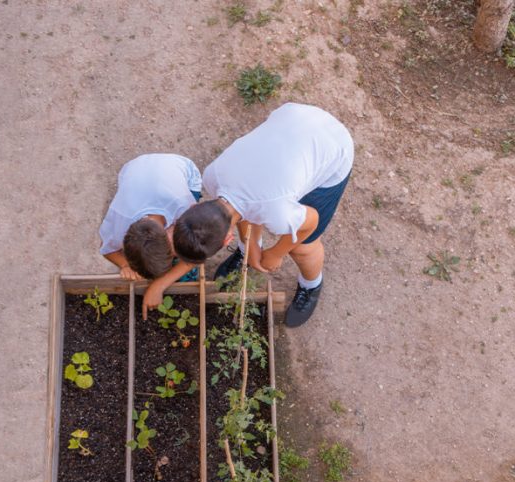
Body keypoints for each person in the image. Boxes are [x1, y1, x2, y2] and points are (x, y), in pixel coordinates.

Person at [171, 103, 354, 327]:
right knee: (250, 217)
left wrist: (277, 253)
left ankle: (311, 285)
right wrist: (252, 247)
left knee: (302, 247)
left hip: (333, 147)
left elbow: (312, 221)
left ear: (227, 239)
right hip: (292, 118)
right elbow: (242, 207)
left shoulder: (277, 213)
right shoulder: (212, 176)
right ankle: (244, 252)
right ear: (193, 209)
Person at [98, 153, 203, 318]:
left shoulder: (185, 211)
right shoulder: (119, 220)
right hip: (134, 168)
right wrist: (125, 265)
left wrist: (159, 285)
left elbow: (196, 256)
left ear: (172, 235)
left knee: (189, 254)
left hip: (179, 168)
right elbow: (107, 250)